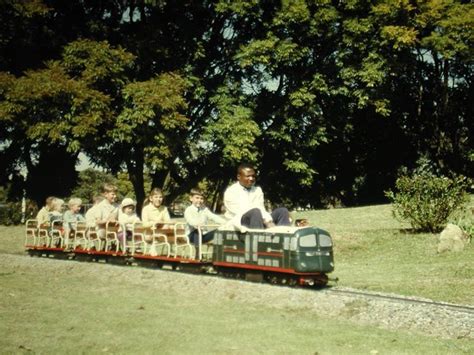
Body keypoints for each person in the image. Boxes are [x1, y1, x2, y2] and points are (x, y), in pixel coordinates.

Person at [224, 163, 291, 230]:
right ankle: (259, 238)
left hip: (260, 219)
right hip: (239, 223)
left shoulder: (257, 190)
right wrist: (267, 220)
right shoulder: (231, 192)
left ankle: (284, 236)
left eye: (253, 176)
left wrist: (268, 220)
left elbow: (261, 208)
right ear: (238, 176)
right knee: (255, 212)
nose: (251, 178)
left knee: (283, 211)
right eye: (248, 176)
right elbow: (242, 211)